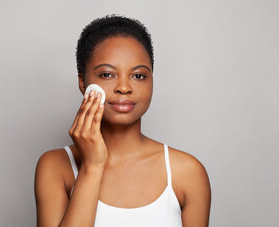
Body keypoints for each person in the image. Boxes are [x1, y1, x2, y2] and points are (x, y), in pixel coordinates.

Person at [34, 15, 211, 227]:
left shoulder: (187, 172)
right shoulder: (55, 166)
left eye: (138, 76)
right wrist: (92, 166)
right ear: (83, 83)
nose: (124, 87)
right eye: (108, 74)